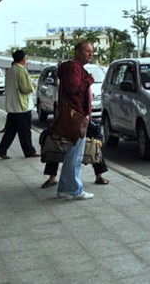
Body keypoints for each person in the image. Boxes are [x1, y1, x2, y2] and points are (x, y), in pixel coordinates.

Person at [56, 42, 95, 201]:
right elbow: (73, 88)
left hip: (76, 115)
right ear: (78, 52)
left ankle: (64, 188)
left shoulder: (74, 68)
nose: (90, 54)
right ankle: (74, 190)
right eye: (87, 51)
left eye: (92, 51)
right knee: (75, 155)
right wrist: (89, 80)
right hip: (76, 116)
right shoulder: (74, 68)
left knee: (72, 153)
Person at [0, 50, 39, 159]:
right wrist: (33, 86)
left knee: (10, 131)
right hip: (21, 107)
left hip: (12, 107)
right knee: (25, 132)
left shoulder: (9, 70)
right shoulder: (21, 70)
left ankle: (1, 150)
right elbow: (26, 88)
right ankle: (29, 151)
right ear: (23, 58)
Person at [41, 121, 109, 189]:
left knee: (94, 148)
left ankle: (99, 176)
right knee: (54, 148)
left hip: (80, 122)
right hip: (68, 123)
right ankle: (52, 178)